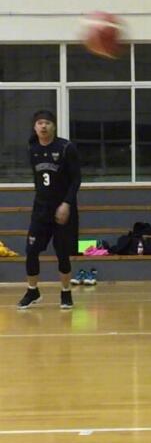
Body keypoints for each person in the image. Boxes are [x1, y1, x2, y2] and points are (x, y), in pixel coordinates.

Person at [17, 110, 81, 310]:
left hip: (63, 209)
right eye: (39, 123)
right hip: (41, 210)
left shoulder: (66, 147)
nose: (43, 126)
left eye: (47, 123)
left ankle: (66, 292)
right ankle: (32, 291)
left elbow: (76, 179)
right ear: (34, 127)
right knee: (31, 250)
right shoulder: (32, 148)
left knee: (62, 253)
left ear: (54, 126)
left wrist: (66, 203)